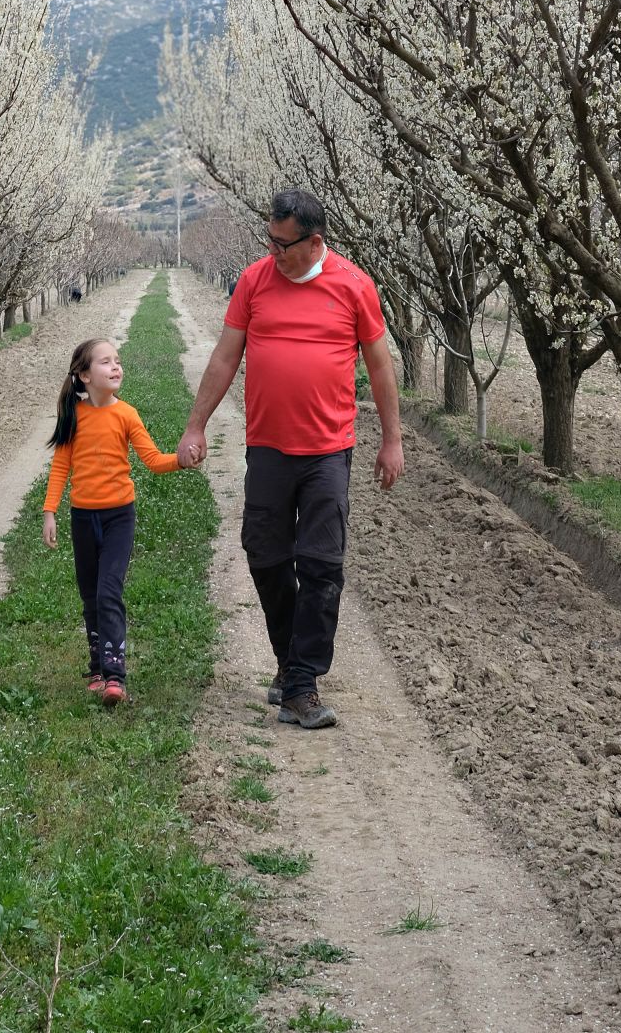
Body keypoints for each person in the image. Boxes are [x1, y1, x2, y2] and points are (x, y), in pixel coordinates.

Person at [177, 188, 404, 730]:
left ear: (314, 241)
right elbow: (226, 355)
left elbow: (379, 368)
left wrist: (392, 439)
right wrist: (196, 423)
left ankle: (301, 685)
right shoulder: (255, 281)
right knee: (266, 555)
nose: (272, 252)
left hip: (328, 450)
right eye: (269, 240)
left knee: (322, 567)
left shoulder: (353, 286)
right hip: (269, 448)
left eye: (282, 244)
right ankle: (289, 662)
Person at [43, 336, 197, 706]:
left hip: (118, 518)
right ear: (83, 375)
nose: (116, 367)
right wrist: (50, 511)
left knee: (109, 591)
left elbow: (153, 461)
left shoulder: (126, 414)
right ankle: (97, 667)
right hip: (83, 518)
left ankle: (115, 676)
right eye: (106, 362)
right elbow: (61, 466)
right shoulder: (74, 417)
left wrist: (180, 459)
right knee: (90, 595)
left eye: (118, 360)